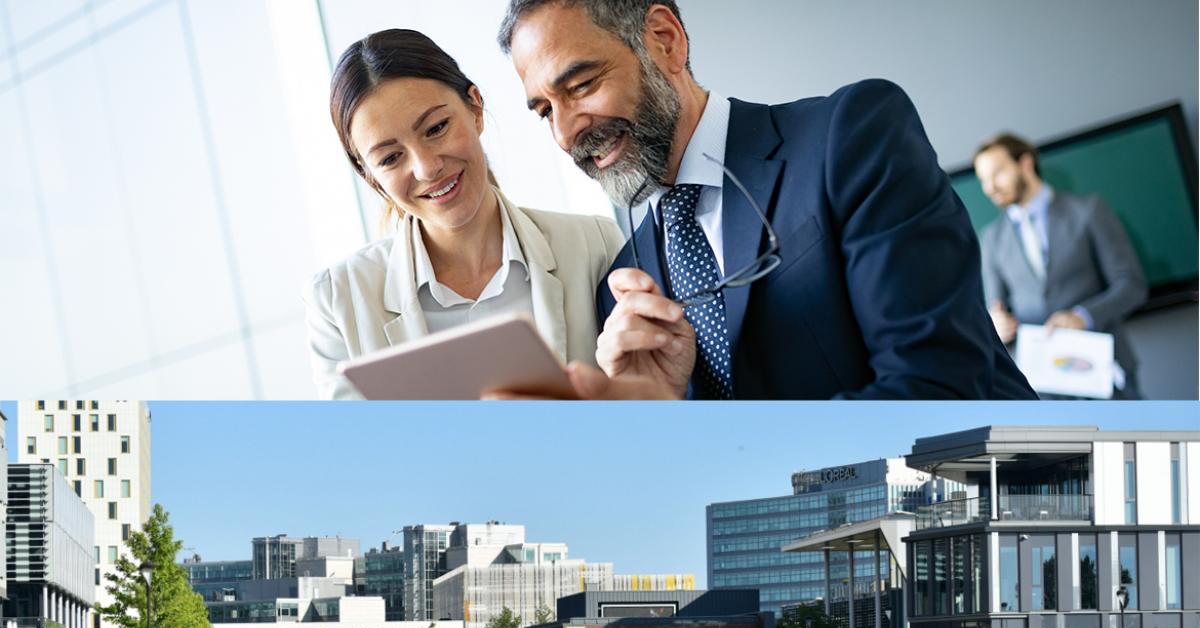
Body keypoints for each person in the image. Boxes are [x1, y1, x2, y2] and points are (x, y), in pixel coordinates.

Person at [496, 0, 1037, 400]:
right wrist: (662, 425)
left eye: (582, 85)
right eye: (544, 111)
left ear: (665, 40)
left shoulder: (850, 136)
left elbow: (938, 388)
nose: (565, 134)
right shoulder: (622, 293)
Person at [304, 29, 625, 399]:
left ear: (474, 108)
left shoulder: (595, 247)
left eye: (436, 128)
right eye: (391, 158)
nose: (426, 168)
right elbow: (357, 450)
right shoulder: (337, 301)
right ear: (369, 175)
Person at [973, 133, 1148, 398]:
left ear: (1025, 163)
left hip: (1107, 377)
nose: (990, 188)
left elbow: (1131, 285)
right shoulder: (991, 239)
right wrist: (995, 325)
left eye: (997, 173)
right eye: (983, 180)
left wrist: (1082, 316)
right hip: (1042, 388)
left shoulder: (1089, 210)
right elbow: (995, 309)